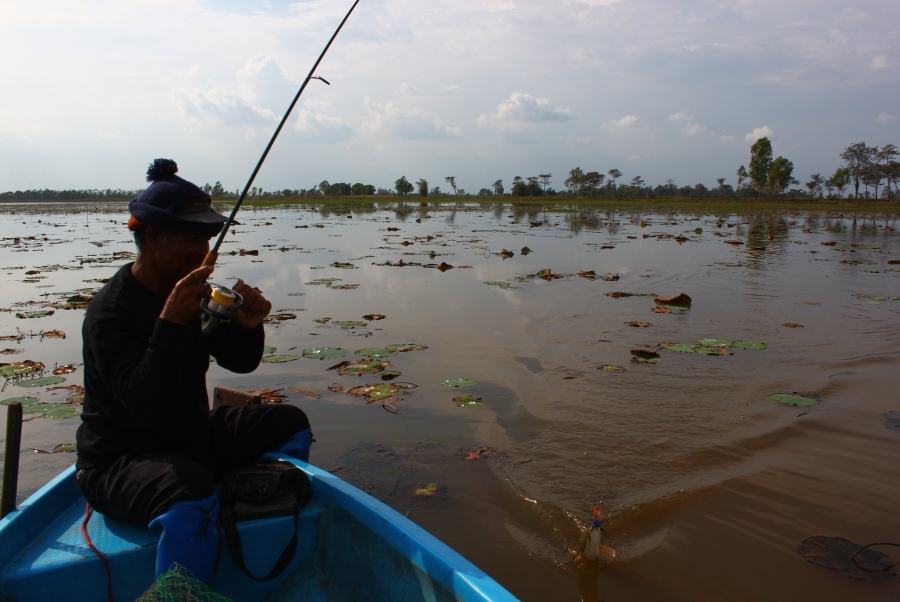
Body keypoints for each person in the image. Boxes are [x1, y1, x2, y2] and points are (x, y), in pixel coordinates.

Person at [75, 158, 312, 585]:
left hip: (188, 440)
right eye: (190, 239)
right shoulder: (110, 312)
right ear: (151, 236)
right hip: (118, 460)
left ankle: (260, 514)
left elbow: (239, 362)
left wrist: (248, 327)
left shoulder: (196, 294)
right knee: (188, 486)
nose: (201, 253)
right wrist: (168, 324)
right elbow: (144, 406)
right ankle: (184, 590)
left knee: (288, 422)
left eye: (206, 240)